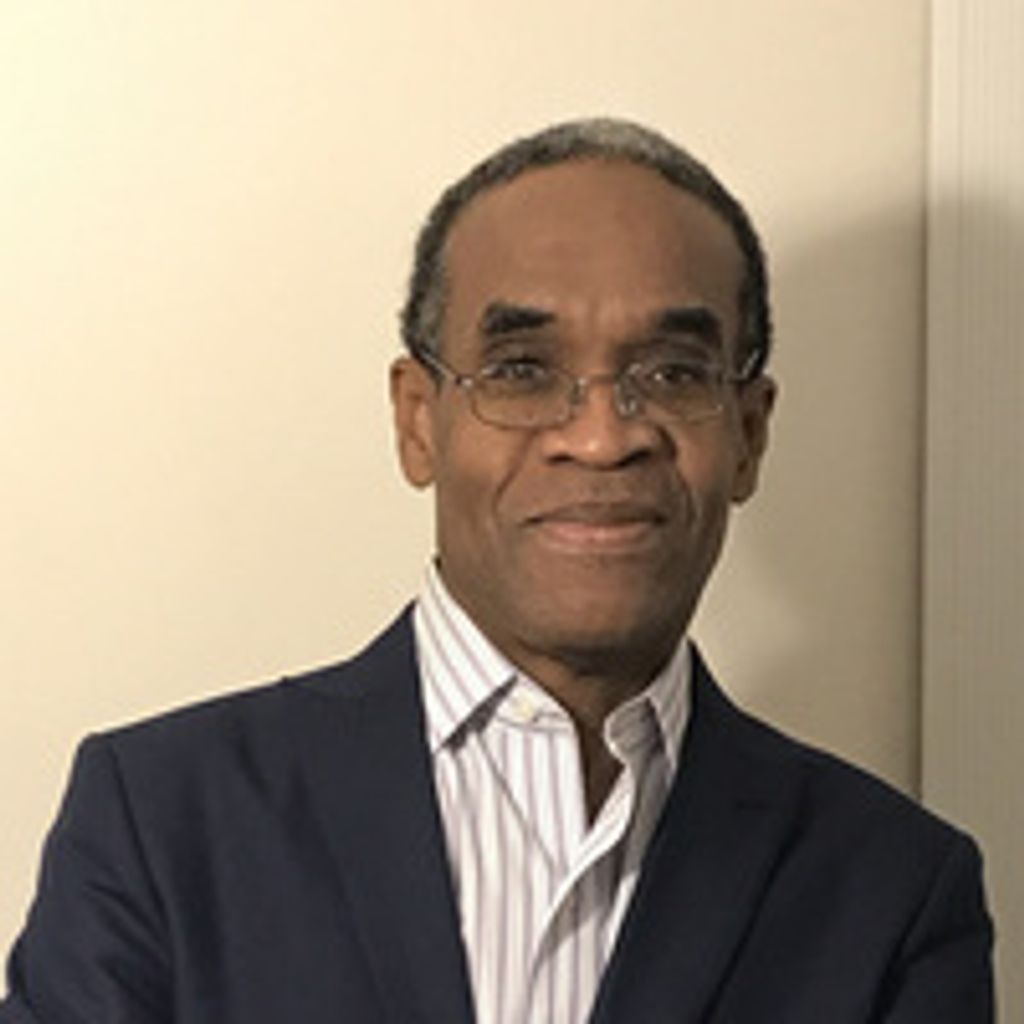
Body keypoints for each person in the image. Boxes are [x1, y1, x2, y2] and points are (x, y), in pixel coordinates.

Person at [1, 118, 994, 1023]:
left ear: (748, 432)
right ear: (417, 420)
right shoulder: (162, 819)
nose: (601, 437)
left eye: (672, 373)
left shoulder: (896, 891)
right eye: (522, 371)